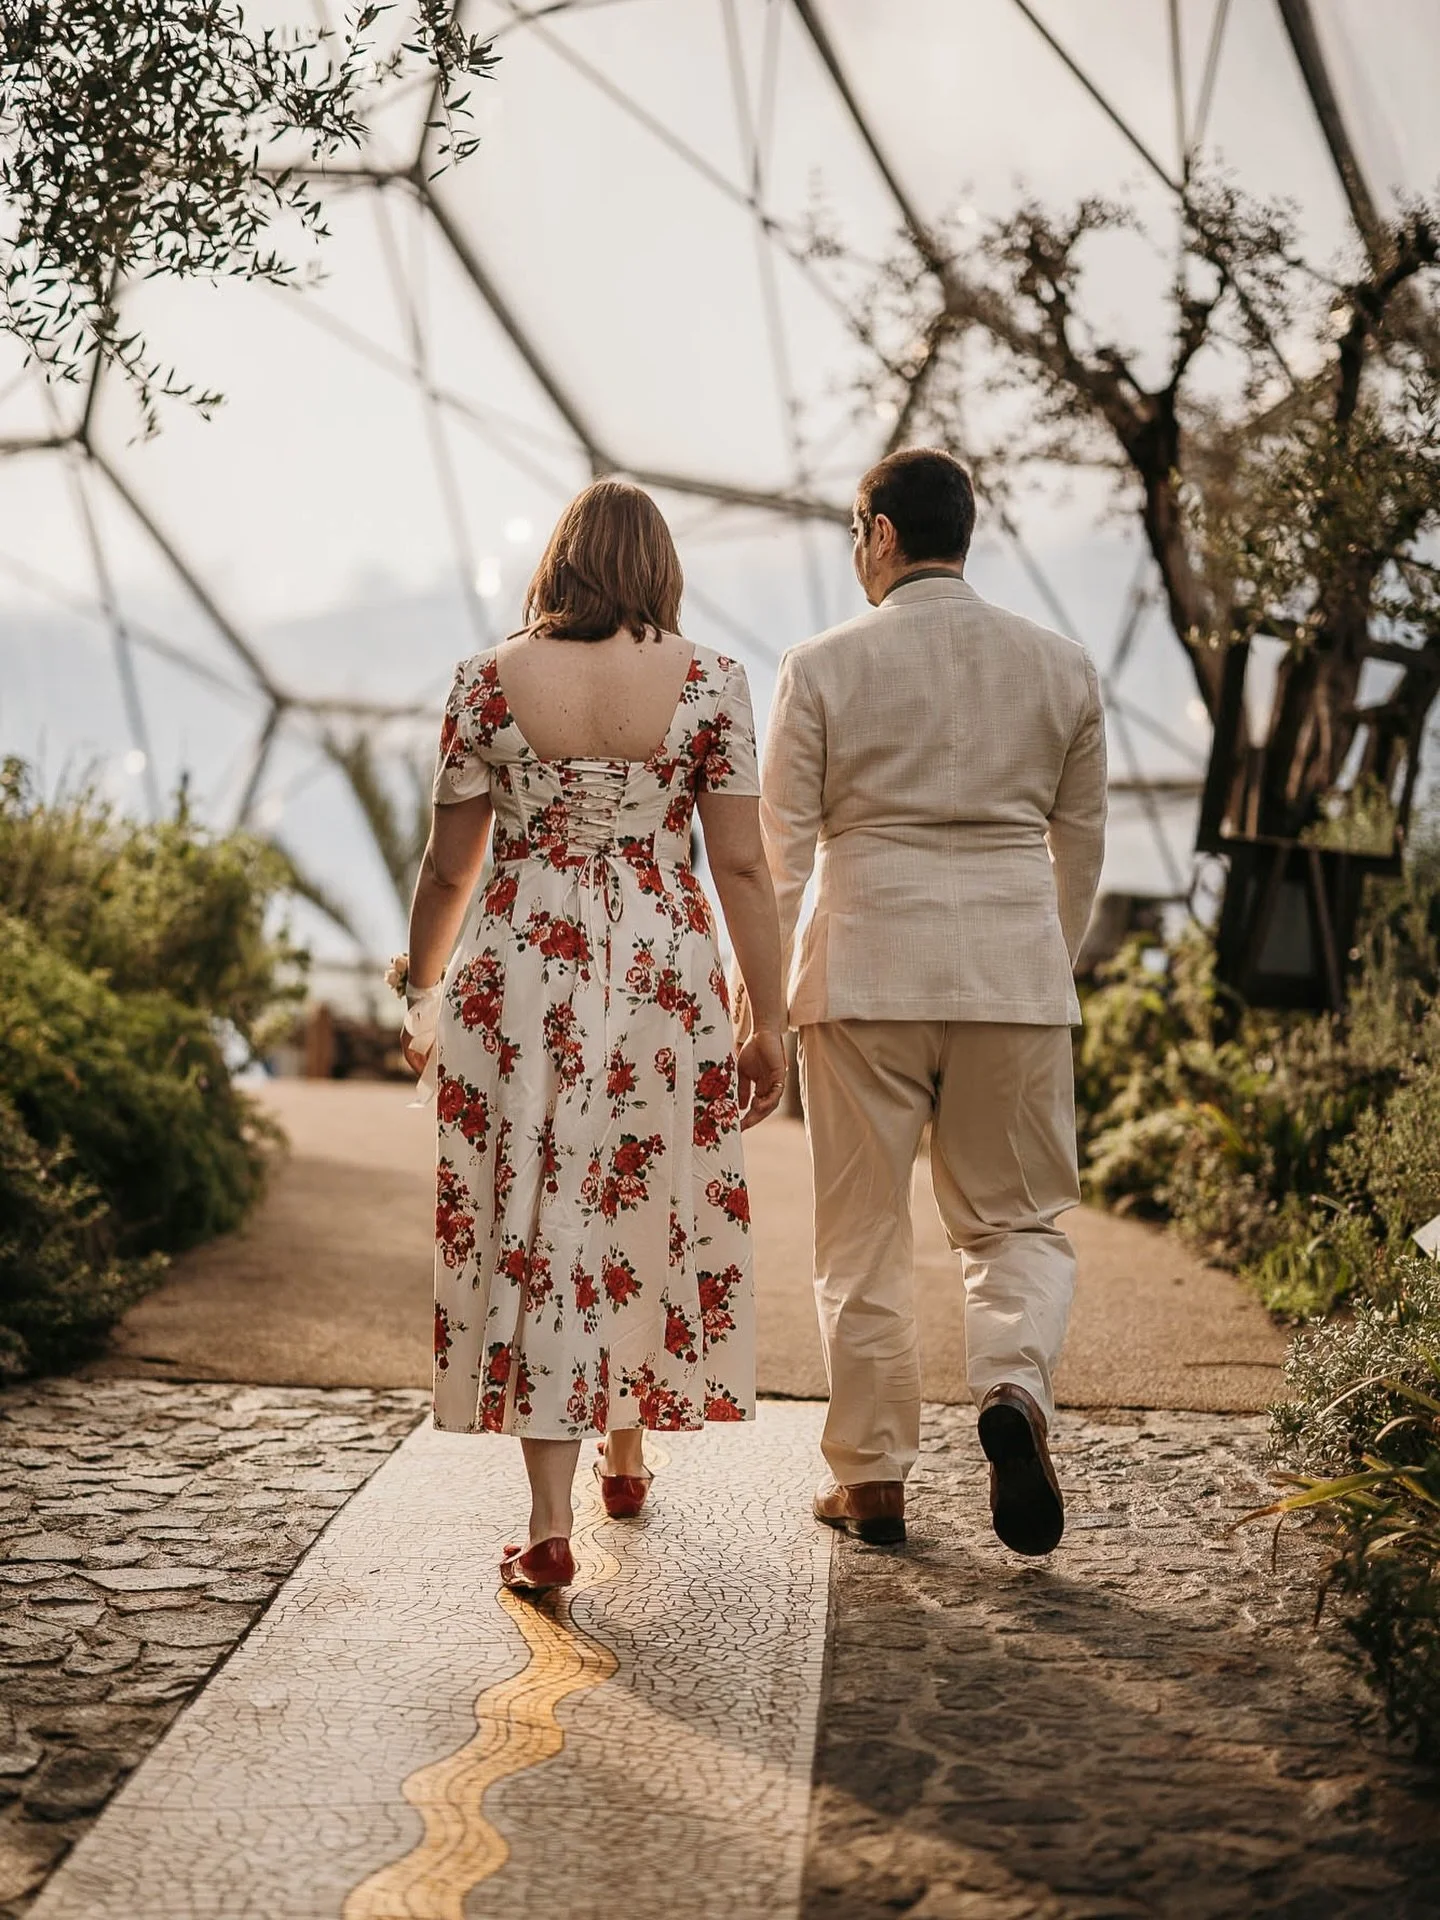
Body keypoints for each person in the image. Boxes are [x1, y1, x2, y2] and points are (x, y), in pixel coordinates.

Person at [400, 480, 787, 1594]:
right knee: (634, 1194)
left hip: (519, 970)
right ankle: (624, 1448)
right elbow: (744, 866)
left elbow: (445, 868)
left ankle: (551, 1516)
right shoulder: (710, 683)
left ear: (560, 561)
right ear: (660, 567)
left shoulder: (486, 681)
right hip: (663, 970)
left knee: (536, 1213)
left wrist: (419, 991)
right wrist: (772, 1022)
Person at [753, 447, 1107, 1555]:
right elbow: (1081, 845)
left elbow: (779, 856)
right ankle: (1013, 1393)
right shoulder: (1059, 666)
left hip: (861, 973)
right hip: (1012, 969)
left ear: (882, 533)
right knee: (1015, 1223)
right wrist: (1050, 957)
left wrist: (758, 1003)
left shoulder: (819, 666)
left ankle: (871, 1482)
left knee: (860, 1238)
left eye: (855, 531)